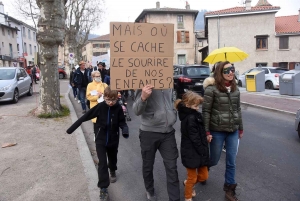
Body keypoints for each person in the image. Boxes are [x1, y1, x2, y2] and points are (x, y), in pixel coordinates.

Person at [67, 87, 129, 201]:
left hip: (113, 138)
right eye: (108, 99)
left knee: (112, 158)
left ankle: (113, 169)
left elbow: (122, 122)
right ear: (104, 97)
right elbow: (86, 116)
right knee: (102, 163)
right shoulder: (100, 107)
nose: (110, 102)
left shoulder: (118, 108)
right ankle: (103, 188)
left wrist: (125, 129)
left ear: (117, 98)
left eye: (113, 100)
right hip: (100, 138)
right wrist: (71, 129)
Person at [202, 61, 243, 201]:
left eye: (232, 69)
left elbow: (238, 110)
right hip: (217, 130)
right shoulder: (211, 89)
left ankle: (229, 189)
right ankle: (204, 170)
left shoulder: (235, 89)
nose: (231, 72)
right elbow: (206, 112)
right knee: (214, 159)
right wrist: (207, 132)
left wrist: (241, 127)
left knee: (231, 161)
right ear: (220, 73)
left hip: (233, 130)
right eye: (227, 71)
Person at [133, 85, 180, 201]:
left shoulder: (168, 82)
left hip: (168, 132)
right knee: (148, 165)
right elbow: (136, 110)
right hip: (149, 133)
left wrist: (173, 112)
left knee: (172, 167)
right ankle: (149, 190)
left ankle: (175, 199)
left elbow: (172, 100)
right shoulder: (143, 84)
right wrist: (143, 97)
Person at [174, 91, 210, 201]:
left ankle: (188, 183)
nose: (198, 108)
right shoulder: (190, 118)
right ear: (188, 104)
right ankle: (188, 196)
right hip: (191, 151)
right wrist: (203, 149)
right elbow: (194, 137)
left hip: (199, 150)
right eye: (196, 105)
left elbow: (200, 132)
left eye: (198, 105)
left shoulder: (195, 115)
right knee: (192, 177)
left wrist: (206, 136)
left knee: (204, 176)